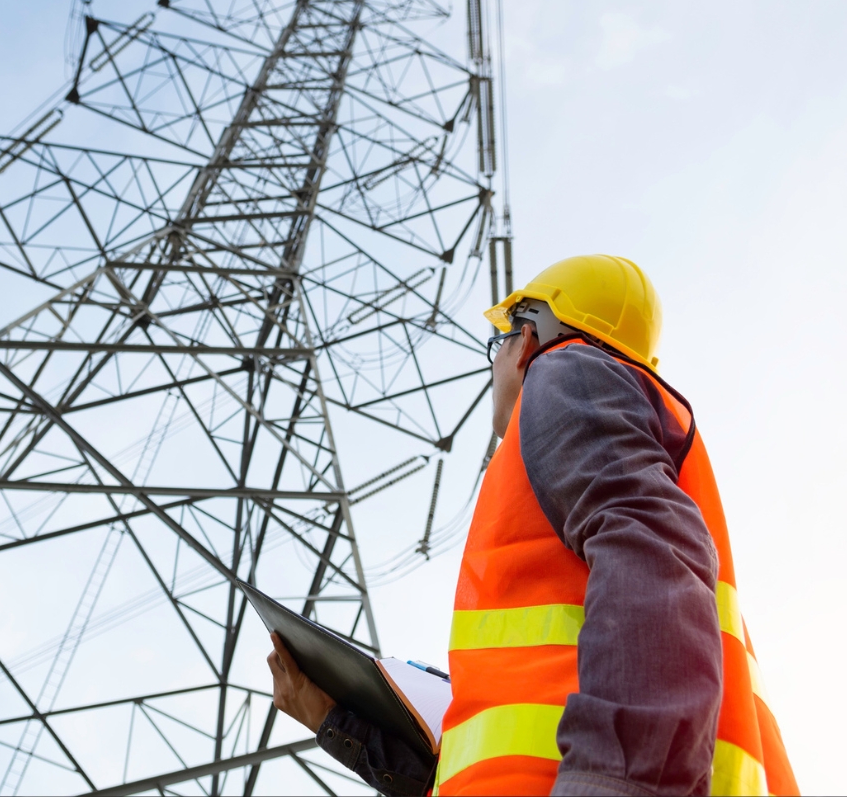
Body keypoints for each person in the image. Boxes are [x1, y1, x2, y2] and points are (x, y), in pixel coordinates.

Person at [266, 255, 797, 796]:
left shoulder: (569, 371)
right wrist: (338, 723)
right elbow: (493, 757)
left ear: (526, 338)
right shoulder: (588, 416)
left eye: (499, 343)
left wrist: (617, 781)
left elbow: (652, 556)